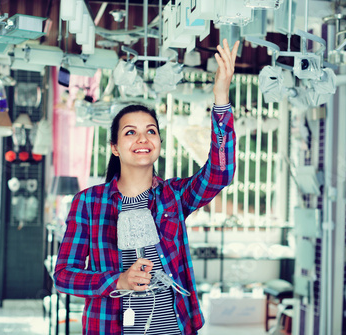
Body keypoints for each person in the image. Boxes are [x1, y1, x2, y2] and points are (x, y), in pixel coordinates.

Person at [53, 39, 239, 335]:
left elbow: (220, 172)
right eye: (130, 133)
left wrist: (220, 96)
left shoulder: (174, 196)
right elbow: (63, 276)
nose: (142, 139)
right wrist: (118, 281)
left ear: (159, 145)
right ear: (114, 147)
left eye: (150, 131)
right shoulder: (88, 203)